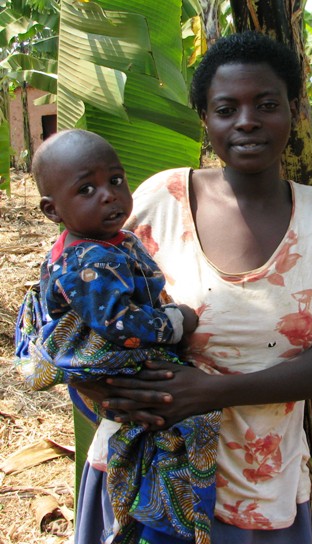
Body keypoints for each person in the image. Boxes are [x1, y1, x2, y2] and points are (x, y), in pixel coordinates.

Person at [70, 31, 312, 544]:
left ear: (295, 111)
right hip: (146, 475)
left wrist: (211, 393)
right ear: (205, 120)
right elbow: (78, 304)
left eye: (267, 104)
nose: (247, 121)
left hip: (259, 491)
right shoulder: (160, 200)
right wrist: (99, 387)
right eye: (226, 108)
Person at [18, 129, 221, 543]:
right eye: (87, 189)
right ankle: (170, 520)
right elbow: (121, 326)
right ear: (52, 210)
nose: (109, 195)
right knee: (187, 423)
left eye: (115, 180)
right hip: (106, 356)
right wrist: (177, 321)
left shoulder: (108, 240)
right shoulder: (87, 260)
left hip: (116, 359)